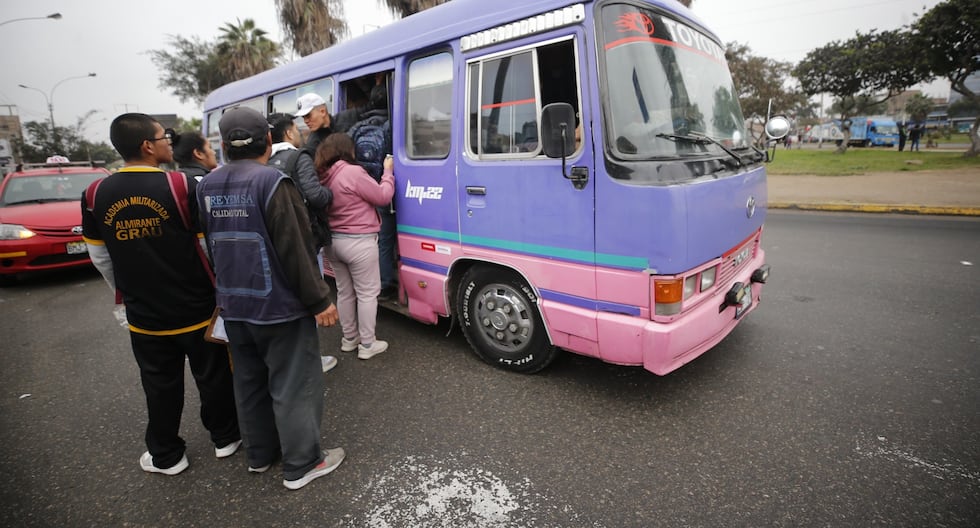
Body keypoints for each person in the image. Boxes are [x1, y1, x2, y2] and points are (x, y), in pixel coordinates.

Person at [81, 113, 240, 476]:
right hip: (197, 306)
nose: (170, 141)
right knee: (213, 375)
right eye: (163, 136)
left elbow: (100, 256)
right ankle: (225, 438)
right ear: (147, 146)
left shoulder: (95, 193)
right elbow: (207, 244)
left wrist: (126, 292)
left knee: (158, 384)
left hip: (145, 315)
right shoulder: (181, 186)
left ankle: (167, 455)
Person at [196, 107, 345, 491]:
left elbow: (211, 246)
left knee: (249, 382)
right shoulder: (273, 183)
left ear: (224, 146)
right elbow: (295, 248)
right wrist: (319, 301)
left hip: (234, 306)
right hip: (279, 308)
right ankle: (302, 463)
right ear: (267, 140)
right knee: (294, 384)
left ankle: (260, 455)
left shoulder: (207, 186)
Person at [267, 112, 338, 372]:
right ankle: (309, 360)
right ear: (288, 133)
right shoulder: (299, 156)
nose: (299, 132)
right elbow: (315, 195)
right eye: (296, 128)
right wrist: (331, 191)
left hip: (273, 238)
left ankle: (288, 357)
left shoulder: (262, 159)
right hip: (302, 236)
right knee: (309, 294)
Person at [315, 133, 395, 360]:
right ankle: (368, 344)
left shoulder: (322, 175)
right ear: (345, 150)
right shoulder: (352, 172)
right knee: (368, 293)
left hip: (333, 243)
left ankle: (349, 339)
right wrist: (387, 172)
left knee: (345, 291)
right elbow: (382, 196)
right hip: (359, 242)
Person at [348, 78, 397, 300]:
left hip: (360, 189)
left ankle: (369, 282)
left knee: (370, 239)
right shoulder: (393, 124)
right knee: (385, 240)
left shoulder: (357, 127)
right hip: (383, 186)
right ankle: (385, 284)